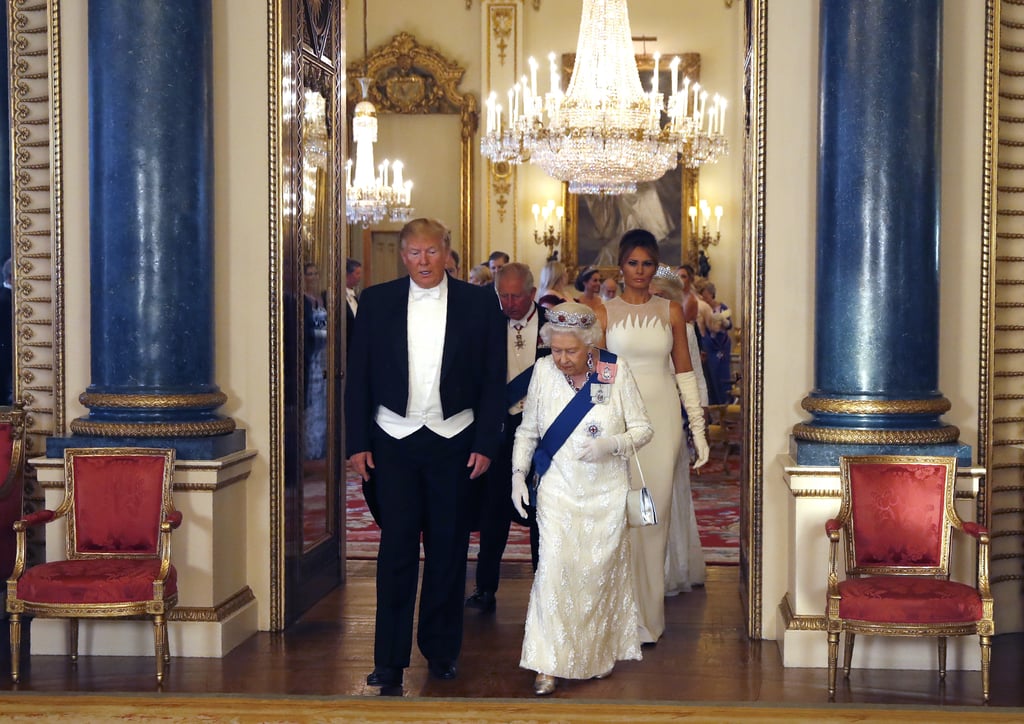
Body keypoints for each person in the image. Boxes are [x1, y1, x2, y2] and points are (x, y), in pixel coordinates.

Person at [345, 217, 506, 689]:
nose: (423, 262)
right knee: (395, 550)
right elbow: (358, 379)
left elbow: (493, 381)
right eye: (414, 253)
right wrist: (357, 442)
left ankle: (440, 651)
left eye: (431, 252)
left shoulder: (480, 304)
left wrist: (486, 443)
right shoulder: (376, 303)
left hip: (455, 441)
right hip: (392, 441)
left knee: (448, 549)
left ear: (447, 251)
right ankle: (389, 661)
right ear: (403, 255)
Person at [510, 302, 653, 695]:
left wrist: (611, 443)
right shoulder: (542, 371)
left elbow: (643, 429)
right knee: (553, 572)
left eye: (570, 351)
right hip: (557, 489)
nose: (562, 359)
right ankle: (546, 664)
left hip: (605, 492)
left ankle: (596, 655)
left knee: (596, 576)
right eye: (555, 350)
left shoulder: (613, 370)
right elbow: (528, 432)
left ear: (590, 346)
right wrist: (518, 475)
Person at [596, 229, 709, 644]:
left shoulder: (671, 310)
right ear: (621, 266)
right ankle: (620, 616)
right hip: (621, 427)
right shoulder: (604, 312)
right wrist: (597, 429)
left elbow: (684, 371)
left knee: (652, 517)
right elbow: (600, 380)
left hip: (662, 427)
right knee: (624, 517)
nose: (640, 271)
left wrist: (697, 428)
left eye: (647, 263)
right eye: (632, 263)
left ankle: (648, 618)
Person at [465, 263, 547, 614]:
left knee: (543, 510)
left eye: (516, 296)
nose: (509, 303)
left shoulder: (554, 324)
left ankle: (546, 585)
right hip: (499, 429)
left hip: (544, 431)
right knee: (493, 509)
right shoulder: (486, 323)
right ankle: (485, 588)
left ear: (531, 293)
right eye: (503, 295)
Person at [649, 269, 708, 595]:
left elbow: (694, 379)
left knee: (669, 493)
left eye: (659, 295)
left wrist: (698, 424)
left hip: (669, 417)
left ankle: (670, 568)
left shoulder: (682, 328)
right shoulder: (627, 324)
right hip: (634, 420)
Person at [303, 263, 328, 461]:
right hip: (310, 356)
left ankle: (320, 448)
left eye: (315, 273)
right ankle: (310, 451)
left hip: (324, 353)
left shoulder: (323, 297)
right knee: (312, 405)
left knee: (322, 405)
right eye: (309, 274)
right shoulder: (302, 299)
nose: (313, 277)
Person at [699, 281, 735, 404]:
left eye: (706, 295)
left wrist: (724, 321)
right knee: (711, 375)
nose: (705, 298)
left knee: (722, 374)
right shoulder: (703, 309)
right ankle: (714, 405)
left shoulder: (722, 307)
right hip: (709, 346)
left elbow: (730, 326)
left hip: (722, 345)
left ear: (711, 294)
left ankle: (726, 402)